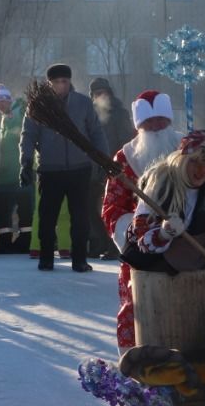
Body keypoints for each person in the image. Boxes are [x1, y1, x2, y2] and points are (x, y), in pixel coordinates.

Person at [120, 131, 205, 341]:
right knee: (158, 327)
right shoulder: (160, 182)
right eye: (194, 161)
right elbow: (140, 227)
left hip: (194, 263)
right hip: (153, 265)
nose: (201, 169)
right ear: (181, 161)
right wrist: (163, 233)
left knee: (197, 328)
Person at [102, 90, 182, 350]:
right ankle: (135, 363)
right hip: (140, 247)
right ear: (139, 126)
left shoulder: (186, 150)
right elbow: (112, 207)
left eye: (161, 121)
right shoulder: (125, 158)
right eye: (149, 123)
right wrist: (136, 233)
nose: (156, 127)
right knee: (135, 304)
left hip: (185, 244)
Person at [19, 63, 108, 272]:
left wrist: (103, 160)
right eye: (57, 82)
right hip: (50, 169)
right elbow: (28, 135)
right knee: (47, 217)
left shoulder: (83, 103)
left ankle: (79, 260)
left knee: (80, 217)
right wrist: (25, 162)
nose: (61, 85)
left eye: (65, 81)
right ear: (49, 83)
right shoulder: (38, 105)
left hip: (80, 168)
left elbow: (96, 132)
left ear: (70, 81)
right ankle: (47, 258)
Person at [89, 77, 134, 259]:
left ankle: (113, 245)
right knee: (92, 208)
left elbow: (125, 139)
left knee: (111, 207)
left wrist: (118, 163)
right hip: (93, 168)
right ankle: (98, 242)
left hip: (113, 167)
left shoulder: (119, 113)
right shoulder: (90, 114)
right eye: (97, 93)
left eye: (103, 92)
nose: (101, 96)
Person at [0, 84, 30, 254]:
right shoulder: (5, 118)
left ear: (8, 100)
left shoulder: (19, 112)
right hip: (5, 174)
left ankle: (25, 241)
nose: (0, 106)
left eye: (2, 102)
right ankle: (5, 241)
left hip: (20, 171)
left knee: (24, 208)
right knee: (2, 209)